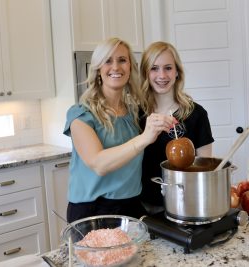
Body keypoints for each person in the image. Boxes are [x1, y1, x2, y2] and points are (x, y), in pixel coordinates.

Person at [63, 37, 177, 223]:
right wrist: (145, 138)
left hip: (131, 207)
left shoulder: (133, 112)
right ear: (98, 68)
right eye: (108, 60)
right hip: (93, 211)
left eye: (122, 60)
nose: (116, 67)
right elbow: (99, 163)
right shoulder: (81, 114)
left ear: (130, 67)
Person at [139, 41, 214, 214]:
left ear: (177, 72)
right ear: (145, 73)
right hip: (143, 206)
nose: (162, 75)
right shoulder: (136, 114)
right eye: (154, 68)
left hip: (185, 205)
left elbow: (205, 168)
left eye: (168, 68)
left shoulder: (197, 114)